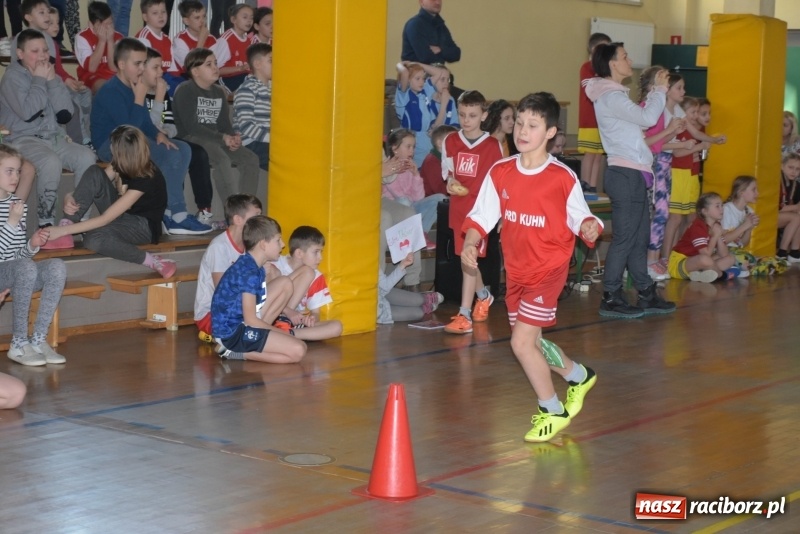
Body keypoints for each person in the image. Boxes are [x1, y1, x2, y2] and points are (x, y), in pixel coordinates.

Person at [460, 92, 600, 443]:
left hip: (549, 270)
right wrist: (470, 242)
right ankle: (578, 375)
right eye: (519, 123)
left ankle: (551, 409)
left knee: (521, 343)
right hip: (517, 273)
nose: (522, 131)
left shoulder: (562, 178)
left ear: (550, 132)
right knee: (533, 342)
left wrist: (588, 226)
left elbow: (584, 216)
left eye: (532, 125)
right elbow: (481, 216)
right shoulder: (501, 171)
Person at [584, 43, 676, 318]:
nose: (629, 60)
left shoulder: (616, 96)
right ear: (612, 64)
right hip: (624, 175)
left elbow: (641, 123)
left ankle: (645, 292)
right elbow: (648, 118)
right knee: (625, 238)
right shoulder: (611, 97)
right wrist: (659, 90)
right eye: (624, 56)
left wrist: (654, 93)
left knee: (639, 238)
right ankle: (611, 295)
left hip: (635, 173)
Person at [91, 38, 211, 236]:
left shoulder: (133, 86)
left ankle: (169, 210)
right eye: (137, 63)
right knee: (170, 155)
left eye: (142, 63)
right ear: (121, 65)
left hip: (132, 141)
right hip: (112, 145)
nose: (141, 68)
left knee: (183, 148)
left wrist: (158, 135)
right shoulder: (111, 91)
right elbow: (128, 130)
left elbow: (145, 123)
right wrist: (139, 98)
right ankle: (176, 215)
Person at [46, 126, 178, 278]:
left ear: (123, 152)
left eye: (112, 146)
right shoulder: (121, 162)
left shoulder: (146, 177)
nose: (109, 148)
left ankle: (152, 260)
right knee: (94, 171)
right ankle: (66, 223)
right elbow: (95, 181)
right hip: (124, 216)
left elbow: (106, 218)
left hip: (143, 226)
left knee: (93, 239)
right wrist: (69, 196)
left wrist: (62, 231)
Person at [0, 29, 97, 232]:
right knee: (50, 161)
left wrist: (53, 82)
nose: (43, 55)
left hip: (54, 138)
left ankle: (76, 220)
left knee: (87, 157)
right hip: (23, 140)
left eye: (45, 50)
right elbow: (28, 113)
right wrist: (40, 80)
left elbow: (65, 114)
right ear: (20, 54)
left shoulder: (49, 74)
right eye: (35, 51)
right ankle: (46, 224)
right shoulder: (12, 77)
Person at [440, 90, 503, 334]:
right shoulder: (450, 141)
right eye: (462, 114)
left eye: (473, 115)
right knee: (466, 259)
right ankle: (484, 295)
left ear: (484, 115)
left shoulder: (493, 146)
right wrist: (450, 182)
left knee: (469, 259)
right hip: (458, 208)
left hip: (480, 212)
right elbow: (449, 173)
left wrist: (501, 215)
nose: (466, 120)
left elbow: (499, 183)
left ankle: (464, 314)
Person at [0, 144, 67, 367]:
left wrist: (32, 244)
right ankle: (18, 343)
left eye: (18, 171)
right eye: (9, 171)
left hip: (16, 270)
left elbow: (19, 254)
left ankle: (38, 340)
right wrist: (11, 222)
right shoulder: (13, 211)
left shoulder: (16, 205)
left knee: (56, 266)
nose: (16, 177)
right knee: (24, 268)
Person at [211, 215, 308, 363]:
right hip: (233, 333)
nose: (282, 245)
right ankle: (233, 352)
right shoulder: (248, 273)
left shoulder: (255, 265)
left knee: (285, 283)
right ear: (263, 244)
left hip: (245, 322)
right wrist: (284, 334)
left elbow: (258, 304)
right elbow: (250, 320)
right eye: (278, 240)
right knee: (299, 350)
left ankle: (262, 339)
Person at [173, 47, 261, 205]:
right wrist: (223, 138)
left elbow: (224, 124)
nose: (215, 67)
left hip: (216, 138)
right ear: (195, 71)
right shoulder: (186, 90)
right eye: (209, 64)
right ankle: (233, 209)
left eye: (215, 63)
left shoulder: (219, 91)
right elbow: (192, 127)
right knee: (221, 159)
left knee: (250, 159)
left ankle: (247, 206)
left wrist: (233, 138)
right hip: (191, 138)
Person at [142, 47, 216, 226]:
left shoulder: (164, 91)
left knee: (196, 152)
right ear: (141, 70)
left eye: (162, 67)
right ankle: (172, 209)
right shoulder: (139, 93)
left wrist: (167, 131)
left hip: (164, 136)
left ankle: (203, 208)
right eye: (156, 67)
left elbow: (170, 122)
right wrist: (159, 99)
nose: (162, 72)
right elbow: (147, 126)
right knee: (173, 152)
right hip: (146, 141)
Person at [639, 70, 694, 281]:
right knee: (658, 213)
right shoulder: (654, 110)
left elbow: (663, 141)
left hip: (665, 163)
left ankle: (653, 258)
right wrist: (674, 136)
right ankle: (650, 260)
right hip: (656, 164)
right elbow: (652, 143)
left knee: (662, 213)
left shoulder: (670, 110)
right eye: (678, 87)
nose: (683, 91)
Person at [195, 194, 262, 341]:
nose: (260, 222)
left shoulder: (251, 245)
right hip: (214, 315)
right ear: (238, 219)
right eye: (256, 216)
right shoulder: (219, 247)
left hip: (240, 309)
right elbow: (223, 293)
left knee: (279, 281)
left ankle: (264, 329)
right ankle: (239, 338)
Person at [271, 226, 344, 340]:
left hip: (291, 324)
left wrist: (311, 319)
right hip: (270, 316)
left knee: (336, 326)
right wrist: (287, 311)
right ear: (299, 253)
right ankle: (280, 325)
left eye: (321, 252)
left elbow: (316, 313)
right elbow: (265, 297)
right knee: (307, 272)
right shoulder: (275, 264)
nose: (321, 257)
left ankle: (286, 334)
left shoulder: (317, 276)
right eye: (316, 252)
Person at [663, 97, 710, 256]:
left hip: (692, 175)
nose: (696, 116)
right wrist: (698, 147)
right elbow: (677, 152)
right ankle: (665, 256)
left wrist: (702, 149)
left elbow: (695, 153)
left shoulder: (696, 132)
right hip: (679, 173)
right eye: (693, 112)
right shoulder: (681, 128)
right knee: (675, 219)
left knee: (687, 218)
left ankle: (676, 253)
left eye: (698, 112)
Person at [382, 128, 446, 235]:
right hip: (396, 210)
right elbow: (398, 195)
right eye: (408, 147)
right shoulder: (388, 166)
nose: (412, 151)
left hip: (411, 207)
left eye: (413, 147)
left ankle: (422, 233)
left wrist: (416, 175)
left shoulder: (411, 166)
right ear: (395, 149)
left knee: (441, 199)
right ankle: (407, 236)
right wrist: (397, 171)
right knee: (404, 201)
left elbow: (419, 198)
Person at [46, 6, 93, 149]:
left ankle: (87, 133)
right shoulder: (43, 45)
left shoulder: (54, 44)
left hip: (61, 80)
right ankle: (81, 139)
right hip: (53, 85)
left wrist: (73, 80)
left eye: (57, 22)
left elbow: (60, 69)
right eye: (50, 23)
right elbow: (52, 72)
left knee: (86, 93)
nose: (56, 26)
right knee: (74, 101)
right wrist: (67, 81)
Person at [668, 192, 738, 282]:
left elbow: (723, 254)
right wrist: (715, 236)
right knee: (705, 259)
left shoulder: (716, 225)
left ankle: (701, 274)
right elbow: (706, 254)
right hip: (679, 263)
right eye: (717, 206)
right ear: (705, 211)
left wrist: (718, 236)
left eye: (722, 205)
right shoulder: (698, 226)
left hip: (697, 263)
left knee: (730, 258)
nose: (722, 209)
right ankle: (721, 275)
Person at [395, 61, 452, 167]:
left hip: (428, 141)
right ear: (408, 81)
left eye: (423, 78)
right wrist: (400, 65)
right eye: (417, 78)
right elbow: (404, 73)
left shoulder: (424, 91)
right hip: (414, 143)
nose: (422, 82)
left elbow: (438, 72)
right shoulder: (403, 96)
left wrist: (416, 63)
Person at [380, 157, 423, 291]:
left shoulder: (373, 141)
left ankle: (412, 283)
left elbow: (387, 176)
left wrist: (392, 168)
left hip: (377, 197)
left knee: (408, 214)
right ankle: (379, 284)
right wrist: (377, 172)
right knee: (384, 218)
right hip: (354, 199)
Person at [577, 32, 611, 193]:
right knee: (590, 154)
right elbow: (590, 89)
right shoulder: (587, 67)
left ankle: (592, 187)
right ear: (592, 49)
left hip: (603, 120)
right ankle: (584, 186)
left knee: (598, 156)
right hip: (589, 119)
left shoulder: (606, 70)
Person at [233, 42, 271, 172]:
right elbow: (246, 125)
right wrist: (273, 139)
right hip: (251, 143)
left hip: (267, 141)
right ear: (257, 64)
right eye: (271, 61)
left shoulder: (274, 89)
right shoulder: (247, 89)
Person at [377, 253, 443, 324]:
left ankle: (424, 298)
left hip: (381, 293)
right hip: (378, 312)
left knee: (418, 300)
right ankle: (424, 306)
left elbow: (385, 285)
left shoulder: (368, 258)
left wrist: (402, 265)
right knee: (419, 313)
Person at [135, 0, 183, 95]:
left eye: (163, 12)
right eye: (155, 13)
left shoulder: (166, 39)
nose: (161, 16)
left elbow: (172, 69)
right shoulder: (144, 37)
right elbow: (144, 71)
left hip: (166, 77)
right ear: (145, 17)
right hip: (151, 80)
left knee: (187, 86)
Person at [75, 1, 124, 94]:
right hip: (91, 77)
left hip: (113, 76)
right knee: (106, 88)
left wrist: (110, 41)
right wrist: (102, 41)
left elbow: (114, 68)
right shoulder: (82, 37)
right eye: (103, 25)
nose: (108, 28)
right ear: (91, 25)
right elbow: (92, 68)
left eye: (110, 23)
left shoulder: (118, 37)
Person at [401, 0, 460, 65]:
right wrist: (445, 54)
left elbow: (456, 54)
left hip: (438, 73)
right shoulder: (415, 24)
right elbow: (425, 57)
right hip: (417, 73)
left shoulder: (441, 25)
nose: (437, 2)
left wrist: (440, 50)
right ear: (421, 2)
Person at [212, 3, 253, 92]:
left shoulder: (249, 41)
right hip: (226, 81)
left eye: (251, 18)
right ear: (233, 19)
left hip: (244, 78)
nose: (249, 21)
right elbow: (215, 70)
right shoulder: (226, 40)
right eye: (245, 17)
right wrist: (239, 68)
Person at [172, 0, 217, 77]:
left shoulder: (212, 39)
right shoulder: (180, 40)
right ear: (186, 21)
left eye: (204, 16)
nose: (202, 21)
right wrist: (201, 41)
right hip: (186, 79)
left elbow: (216, 66)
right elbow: (191, 68)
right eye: (197, 18)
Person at [721, 176, 760, 253]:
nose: (757, 193)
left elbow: (742, 244)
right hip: (722, 251)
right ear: (741, 192)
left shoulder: (750, 211)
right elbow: (723, 240)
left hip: (736, 252)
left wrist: (749, 229)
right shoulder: (727, 209)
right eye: (753, 190)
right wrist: (746, 225)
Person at [419, 124, 455, 197]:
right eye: (452, 140)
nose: (457, 143)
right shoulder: (431, 161)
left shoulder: (450, 158)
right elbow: (439, 190)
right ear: (439, 143)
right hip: (432, 200)